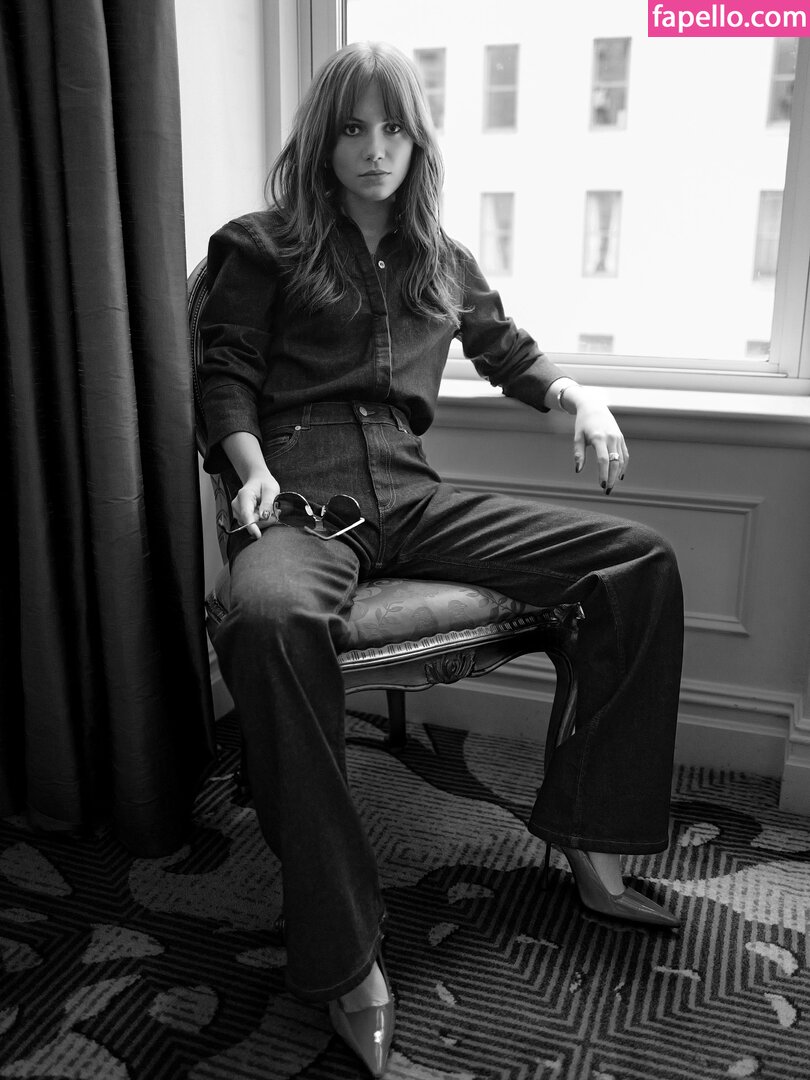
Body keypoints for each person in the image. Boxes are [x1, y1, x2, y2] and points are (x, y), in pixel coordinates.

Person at [199, 41, 684, 1078]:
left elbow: (505, 348)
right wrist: (247, 469)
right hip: (300, 497)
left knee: (635, 562)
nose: (374, 150)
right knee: (267, 619)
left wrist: (579, 396)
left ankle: (590, 838)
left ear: (419, 142)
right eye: (352, 129)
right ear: (321, 140)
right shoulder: (261, 244)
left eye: (394, 129)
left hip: (414, 496)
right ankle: (344, 951)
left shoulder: (441, 258)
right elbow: (225, 371)